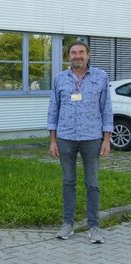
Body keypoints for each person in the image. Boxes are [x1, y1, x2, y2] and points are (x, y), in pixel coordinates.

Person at [47, 41, 113, 244]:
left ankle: (94, 227)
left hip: (92, 138)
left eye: (81, 52)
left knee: (92, 183)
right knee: (68, 181)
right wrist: (52, 140)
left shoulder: (101, 77)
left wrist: (106, 139)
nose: (77, 55)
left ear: (88, 55)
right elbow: (53, 108)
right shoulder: (59, 79)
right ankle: (68, 224)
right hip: (65, 137)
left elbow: (106, 109)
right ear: (68, 56)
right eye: (73, 52)